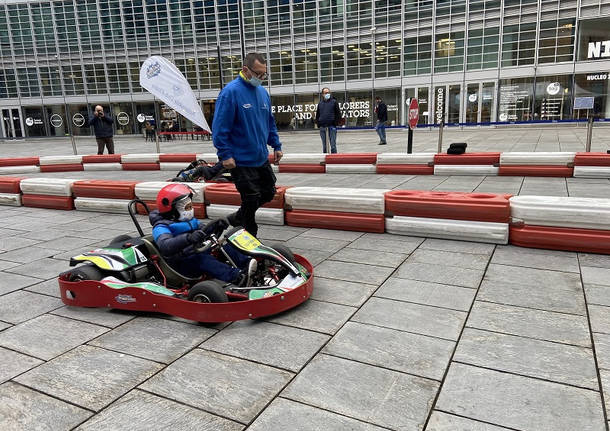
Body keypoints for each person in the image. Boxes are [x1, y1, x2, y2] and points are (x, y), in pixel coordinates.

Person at [212, 52, 283, 238]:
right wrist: (225, 154)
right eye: (258, 74)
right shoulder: (230, 92)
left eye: (264, 74)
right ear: (245, 70)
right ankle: (249, 234)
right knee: (250, 198)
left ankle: (237, 217)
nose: (261, 78)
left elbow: (269, 122)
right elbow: (220, 126)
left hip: (260, 156)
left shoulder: (262, 92)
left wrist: (276, 145)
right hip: (240, 159)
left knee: (268, 192)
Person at [150, 183, 256, 285]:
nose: (191, 210)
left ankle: (250, 265)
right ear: (172, 211)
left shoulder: (191, 221)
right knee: (203, 260)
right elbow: (165, 246)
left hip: (199, 251)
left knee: (228, 246)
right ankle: (238, 278)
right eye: (187, 208)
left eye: (191, 206)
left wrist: (217, 225)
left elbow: (204, 231)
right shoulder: (161, 227)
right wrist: (188, 238)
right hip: (182, 263)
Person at [315, 87, 342, 153]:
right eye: (326, 93)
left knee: (333, 145)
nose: (327, 94)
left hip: (331, 127)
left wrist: (335, 123)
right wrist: (319, 124)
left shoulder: (334, 102)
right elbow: (318, 114)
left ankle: (334, 160)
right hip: (323, 128)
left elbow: (338, 114)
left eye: (328, 92)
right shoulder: (320, 103)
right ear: (323, 94)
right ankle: (325, 159)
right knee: (325, 146)